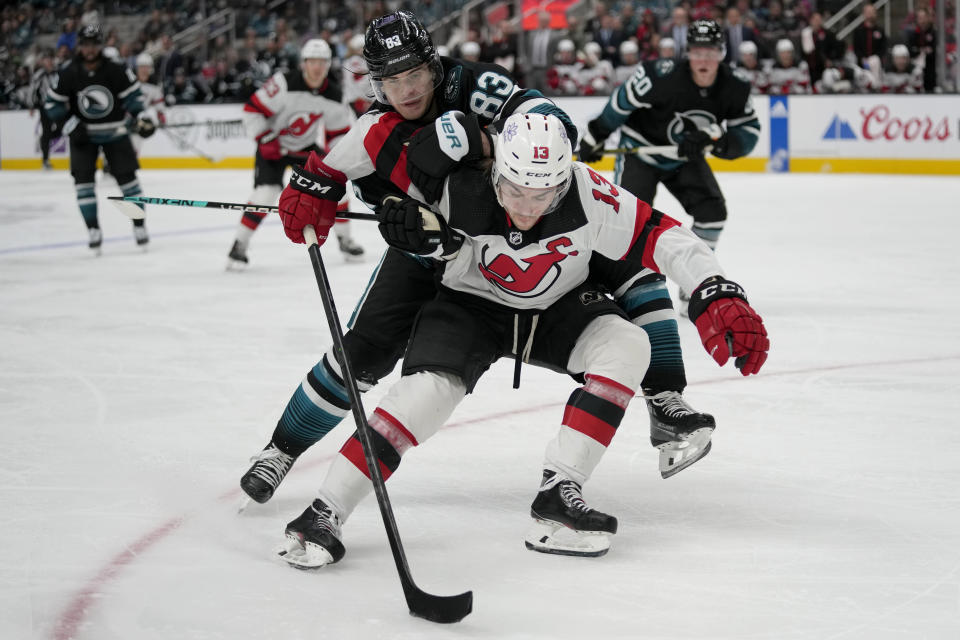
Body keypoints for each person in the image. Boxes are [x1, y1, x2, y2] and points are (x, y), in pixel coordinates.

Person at [239, 9, 715, 512]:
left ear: (435, 66)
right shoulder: (374, 128)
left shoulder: (477, 86)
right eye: (390, 81)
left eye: (416, 74)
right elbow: (326, 171)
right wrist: (314, 189)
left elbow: (560, 131)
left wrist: (484, 139)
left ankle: (665, 399)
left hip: (520, 226)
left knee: (634, 267)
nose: (406, 92)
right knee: (363, 353)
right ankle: (280, 450)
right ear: (375, 84)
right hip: (426, 249)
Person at [278, 112, 769, 567]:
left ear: (565, 180)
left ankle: (559, 495)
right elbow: (373, 141)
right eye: (514, 192)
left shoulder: (588, 193)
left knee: (628, 344)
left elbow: (669, 239)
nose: (527, 209)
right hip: (468, 308)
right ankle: (324, 512)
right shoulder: (455, 183)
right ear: (496, 172)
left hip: (555, 311)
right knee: (421, 397)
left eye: (544, 196)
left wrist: (716, 291)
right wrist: (325, 182)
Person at [578, 19, 760, 308]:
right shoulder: (661, 75)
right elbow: (621, 103)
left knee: (713, 212)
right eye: (698, 52)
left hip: (684, 157)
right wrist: (596, 134)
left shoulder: (734, 86)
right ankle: (619, 286)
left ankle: (696, 281)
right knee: (625, 222)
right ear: (688, 52)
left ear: (722, 53)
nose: (704, 59)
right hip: (641, 153)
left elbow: (748, 132)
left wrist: (717, 140)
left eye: (710, 52)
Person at [226, 38, 359, 268]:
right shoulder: (283, 83)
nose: (317, 67)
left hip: (305, 148)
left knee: (338, 190)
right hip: (273, 146)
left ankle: (345, 239)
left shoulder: (335, 95)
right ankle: (239, 245)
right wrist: (266, 138)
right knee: (265, 194)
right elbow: (252, 111)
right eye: (312, 62)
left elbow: (338, 134)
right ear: (303, 63)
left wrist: (338, 159)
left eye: (322, 62)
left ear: (328, 65)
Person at [43, 24, 156, 254]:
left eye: (94, 44)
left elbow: (134, 98)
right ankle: (93, 229)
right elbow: (51, 104)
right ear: (80, 46)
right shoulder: (69, 71)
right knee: (83, 183)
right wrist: (71, 125)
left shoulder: (115, 69)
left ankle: (139, 225)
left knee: (128, 181)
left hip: (115, 132)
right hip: (83, 136)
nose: (90, 49)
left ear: (100, 45)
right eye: (86, 44)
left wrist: (142, 116)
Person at [29, 49, 59, 170]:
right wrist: (31, 105)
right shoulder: (39, 74)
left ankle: (44, 140)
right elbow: (32, 90)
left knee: (63, 129)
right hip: (45, 106)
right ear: (42, 61)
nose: (49, 61)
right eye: (46, 59)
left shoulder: (58, 72)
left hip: (58, 105)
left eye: (50, 59)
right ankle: (45, 160)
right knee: (46, 131)